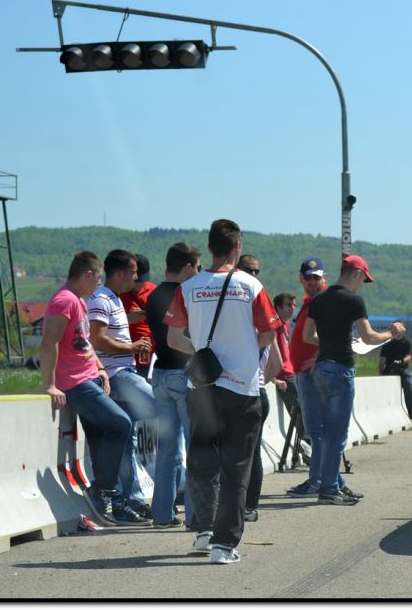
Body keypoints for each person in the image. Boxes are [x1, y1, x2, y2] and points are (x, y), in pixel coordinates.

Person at [165, 219, 282, 565]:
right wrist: (241, 349)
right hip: (242, 388)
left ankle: (203, 531)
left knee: (202, 462)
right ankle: (224, 545)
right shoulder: (251, 286)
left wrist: (203, 351)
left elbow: (173, 339)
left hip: (201, 388)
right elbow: (267, 335)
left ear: (211, 248)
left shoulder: (188, 287)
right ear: (237, 247)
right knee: (237, 467)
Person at [302, 255, 405, 505]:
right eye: (363, 279)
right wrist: (392, 334)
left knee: (326, 432)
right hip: (341, 370)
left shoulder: (318, 300)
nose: (362, 285)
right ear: (357, 274)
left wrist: (330, 341)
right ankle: (328, 489)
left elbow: (308, 335)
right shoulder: (353, 300)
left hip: (321, 369)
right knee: (337, 435)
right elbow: (369, 338)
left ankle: (334, 483)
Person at [39, 251, 132, 527]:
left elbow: (84, 343)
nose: (99, 283)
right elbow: (48, 343)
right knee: (121, 424)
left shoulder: (79, 300)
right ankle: (102, 489)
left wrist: (101, 368)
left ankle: (104, 494)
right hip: (75, 383)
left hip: (89, 377)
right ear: (88, 275)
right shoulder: (63, 301)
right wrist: (50, 385)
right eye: (98, 278)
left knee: (103, 433)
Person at [88, 249, 158, 525]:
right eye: (133, 271)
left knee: (128, 439)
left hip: (123, 371)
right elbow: (97, 339)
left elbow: (108, 328)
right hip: (117, 373)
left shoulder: (113, 299)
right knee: (164, 407)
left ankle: (131, 500)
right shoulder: (102, 299)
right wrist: (132, 346)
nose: (137, 276)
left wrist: (133, 320)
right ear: (119, 273)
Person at [145, 242, 201, 528]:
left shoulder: (152, 295)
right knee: (195, 448)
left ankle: (162, 514)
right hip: (183, 373)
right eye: (198, 268)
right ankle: (195, 516)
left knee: (167, 450)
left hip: (161, 374)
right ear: (188, 267)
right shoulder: (185, 294)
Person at [285, 258, 351, 499]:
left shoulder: (324, 303)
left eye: (316, 277)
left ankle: (323, 480)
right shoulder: (309, 303)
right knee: (317, 431)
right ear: (301, 279)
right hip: (304, 372)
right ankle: (328, 480)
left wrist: (318, 356)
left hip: (315, 373)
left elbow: (336, 336)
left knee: (319, 430)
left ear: (324, 278)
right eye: (308, 277)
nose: (312, 282)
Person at [236, 253, 272, 523]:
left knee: (251, 452)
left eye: (257, 271)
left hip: (252, 388)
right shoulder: (247, 304)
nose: (254, 275)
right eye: (249, 270)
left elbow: (278, 358)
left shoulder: (258, 302)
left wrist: (264, 380)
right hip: (242, 387)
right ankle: (241, 505)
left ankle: (249, 506)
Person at [119, 254, 157, 380]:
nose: (140, 284)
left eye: (142, 280)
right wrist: (129, 319)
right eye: (137, 281)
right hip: (125, 359)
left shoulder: (154, 291)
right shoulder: (119, 293)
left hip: (150, 357)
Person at [379, 321, 412, 427]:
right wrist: (380, 373)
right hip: (389, 369)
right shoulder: (387, 344)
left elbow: (409, 356)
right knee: (385, 393)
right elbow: (382, 359)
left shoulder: (406, 343)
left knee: (409, 390)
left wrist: (401, 361)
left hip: (402, 369)